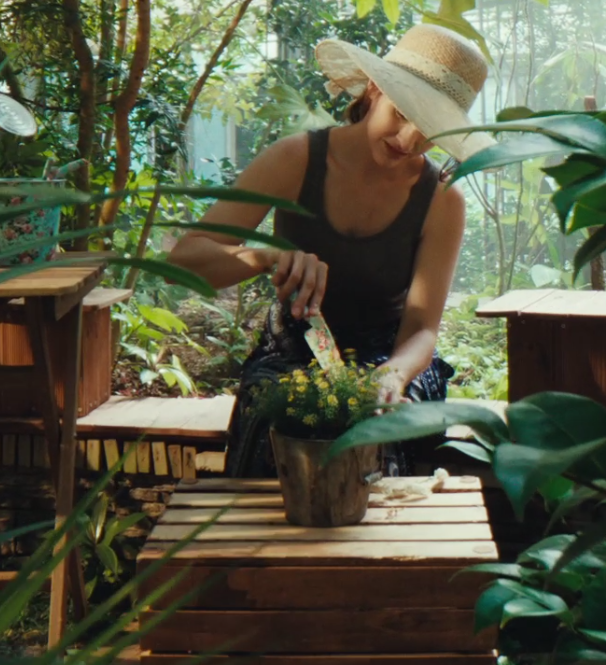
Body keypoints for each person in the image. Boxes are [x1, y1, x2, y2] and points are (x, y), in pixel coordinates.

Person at [168, 24, 491, 477]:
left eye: (431, 129)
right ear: (375, 88)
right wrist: (265, 255)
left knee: (383, 428)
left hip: (389, 354)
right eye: (401, 113)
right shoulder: (295, 159)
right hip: (292, 349)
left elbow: (421, 327)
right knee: (276, 418)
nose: (408, 141)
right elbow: (182, 263)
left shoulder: (441, 199)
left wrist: (395, 375)